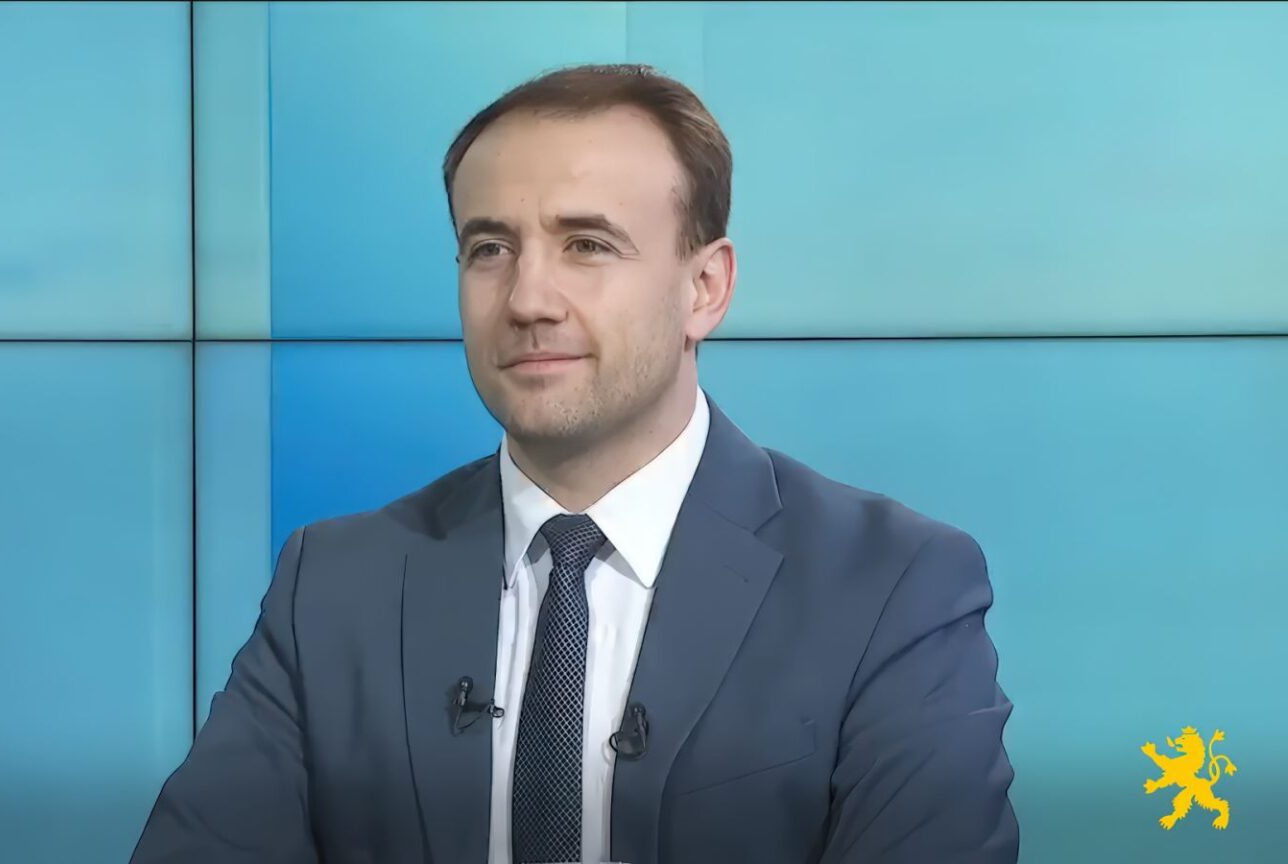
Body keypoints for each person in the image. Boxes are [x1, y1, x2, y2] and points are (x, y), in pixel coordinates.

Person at [132, 63, 1018, 864]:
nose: (527, 299)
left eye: (587, 245)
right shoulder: (332, 585)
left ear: (705, 288)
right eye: (490, 249)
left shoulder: (893, 587)